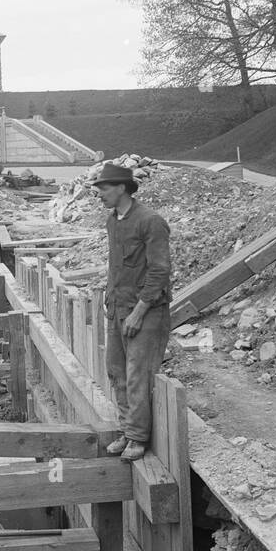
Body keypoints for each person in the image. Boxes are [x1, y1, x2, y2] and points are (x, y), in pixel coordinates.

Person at [94, 163, 172, 462]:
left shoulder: (150, 222)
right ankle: (128, 430)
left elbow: (159, 271)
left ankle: (138, 438)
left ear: (122, 188)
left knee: (138, 374)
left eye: (104, 188)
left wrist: (140, 311)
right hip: (117, 308)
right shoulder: (113, 221)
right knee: (116, 371)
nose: (100, 194)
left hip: (145, 311)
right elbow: (116, 267)